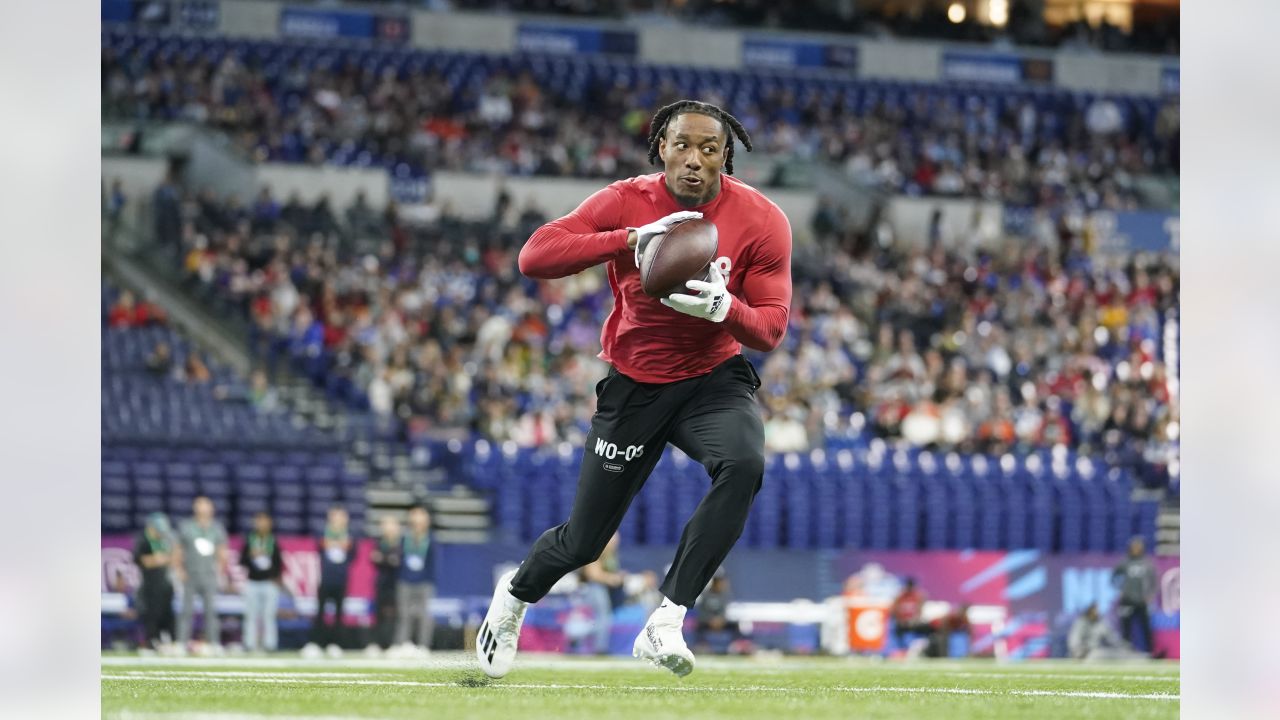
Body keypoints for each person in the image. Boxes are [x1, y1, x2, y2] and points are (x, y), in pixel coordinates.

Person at [476, 99, 793, 679]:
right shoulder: (627, 199)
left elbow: (771, 328)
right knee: (583, 543)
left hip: (711, 379)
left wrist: (726, 308)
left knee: (744, 463)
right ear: (660, 148)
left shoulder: (763, 218)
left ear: (727, 156)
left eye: (709, 148)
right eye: (682, 145)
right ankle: (513, 600)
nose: (695, 159)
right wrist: (631, 239)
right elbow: (534, 255)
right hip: (636, 385)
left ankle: (667, 618)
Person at [174, 497, 229, 653]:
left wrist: (220, 571)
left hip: (209, 574)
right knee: (186, 610)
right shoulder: (187, 527)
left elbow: (222, 552)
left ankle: (213, 643)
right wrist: (179, 570)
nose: (203, 509)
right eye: (200, 505)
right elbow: (178, 549)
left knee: (211, 611)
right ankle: (181, 642)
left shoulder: (217, 529)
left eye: (206, 506)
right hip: (190, 573)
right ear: (195, 508)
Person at [303, 506, 353, 659]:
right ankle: (316, 643)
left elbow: (353, 555)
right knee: (320, 613)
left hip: (341, 579)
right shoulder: (323, 533)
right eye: (335, 516)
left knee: (338, 614)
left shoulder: (350, 535)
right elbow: (319, 548)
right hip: (325, 578)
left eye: (341, 517)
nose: (338, 520)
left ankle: (335, 644)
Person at [394, 506, 438, 657]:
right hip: (405, 580)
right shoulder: (404, 538)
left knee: (424, 615)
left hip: (424, 582)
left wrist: (430, 582)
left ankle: (423, 645)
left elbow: (432, 562)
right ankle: (402, 643)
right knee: (404, 614)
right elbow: (399, 559)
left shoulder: (430, 538)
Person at [239, 511, 284, 654]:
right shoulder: (250, 540)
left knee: (269, 615)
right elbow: (242, 561)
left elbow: (279, 563)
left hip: (269, 583)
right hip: (253, 582)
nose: (262, 524)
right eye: (259, 521)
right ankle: (249, 644)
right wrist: (251, 555)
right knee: (251, 615)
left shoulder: (274, 541)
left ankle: (270, 644)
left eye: (265, 521)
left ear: (270, 524)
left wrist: (274, 577)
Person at [132, 513, 176, 651]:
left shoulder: (164, 540)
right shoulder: (143, 540)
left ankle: (167, 641)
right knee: (152, 613)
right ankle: (152, 641)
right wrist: (159, 559)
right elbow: (143, 561)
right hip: (150, 584)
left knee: (167, 613)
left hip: (164, 583)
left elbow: (171, 558)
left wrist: (161, 559)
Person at [579, 532, 626, 655]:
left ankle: (598, 645)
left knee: (604, 618)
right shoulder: (597, 551)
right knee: (602, 618)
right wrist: (612, 579)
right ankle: (598, 647)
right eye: (612, 539)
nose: (615, 542)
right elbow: (592, 574)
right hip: (595, 588)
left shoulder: (611, 555)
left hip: (604, 589)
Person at [1112, 536, 1158, 655]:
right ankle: (1125, 652)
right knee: (1126, 628)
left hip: (1142, 601)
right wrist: (1121, 589)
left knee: (1146, 627)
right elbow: (1114, 577)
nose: (1136, 549)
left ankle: (1150, 652)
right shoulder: (1125, 562)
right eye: (1134, 547)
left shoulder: (1147, 564)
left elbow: (1154, 581)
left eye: (1139, 547)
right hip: (1127, 600)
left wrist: (1150, 595)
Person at [368, 515, 403, 653]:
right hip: (381, 582)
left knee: (394, 614)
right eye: (385, 525)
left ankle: (393, 643)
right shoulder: (379, 543)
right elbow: (375, 559)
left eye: (391, 525)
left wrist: (383, 558)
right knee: (379, 614)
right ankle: (378, 643)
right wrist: (387, 559)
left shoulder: (400, 543)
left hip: (395, 583)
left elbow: (396, 561)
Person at [1068, 603, 1143, 660]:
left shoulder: (1100, 623)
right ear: (1089, 611)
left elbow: (1114, 639)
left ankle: (1141, 657)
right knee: (1100, 655)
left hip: (1096, 652)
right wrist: (1079, 651)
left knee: (1119, 654)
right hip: (1085, 654)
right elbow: (1074, 640)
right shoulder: (1081, 622)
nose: (1097, 612)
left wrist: (1127, 646)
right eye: (1095, 610)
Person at [693, 570, 737, 655]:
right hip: (707, 622)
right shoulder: (705, 595)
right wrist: (710, 620)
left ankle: (733, 646)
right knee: (698, 626)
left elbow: (724, 611)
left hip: (720, 622)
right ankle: (701, 645)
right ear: (715, 583)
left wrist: (720, 619)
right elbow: (702, 612)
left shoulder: (724, 596)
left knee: (736, 626)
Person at [890, 577, 931, 649]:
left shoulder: (918, 597)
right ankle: (902, 648)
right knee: (897, 629)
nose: (909, 590)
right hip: (902, 622)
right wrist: (901, 620)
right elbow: (894, 611)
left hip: (914, 622)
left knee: (928, 628)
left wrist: (914, 620)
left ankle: (926, 648)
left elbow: (920, 611)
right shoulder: (899, 597)